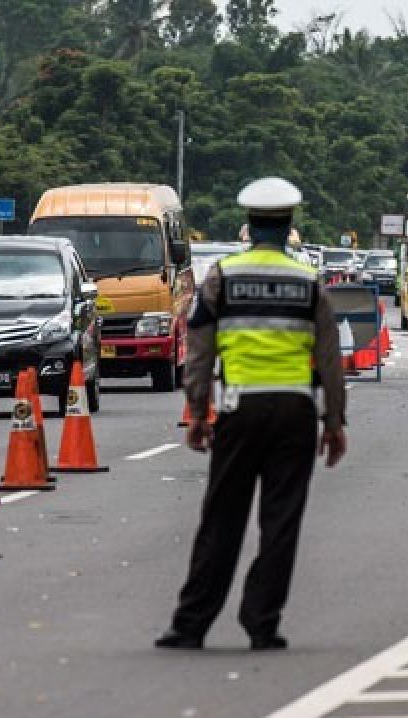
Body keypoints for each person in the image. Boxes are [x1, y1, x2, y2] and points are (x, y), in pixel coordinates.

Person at [156, 177, 349, 651]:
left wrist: (198, 411)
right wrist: (335, 422)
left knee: (221, 517)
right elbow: (330, 359)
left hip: (240, 409)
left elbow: (198, 349)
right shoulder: (308, 282)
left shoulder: (222, 275)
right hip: (295, 412)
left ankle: (191, 623)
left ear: (249, 225)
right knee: (280, 522)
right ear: (288, 227)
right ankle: (262, 623)